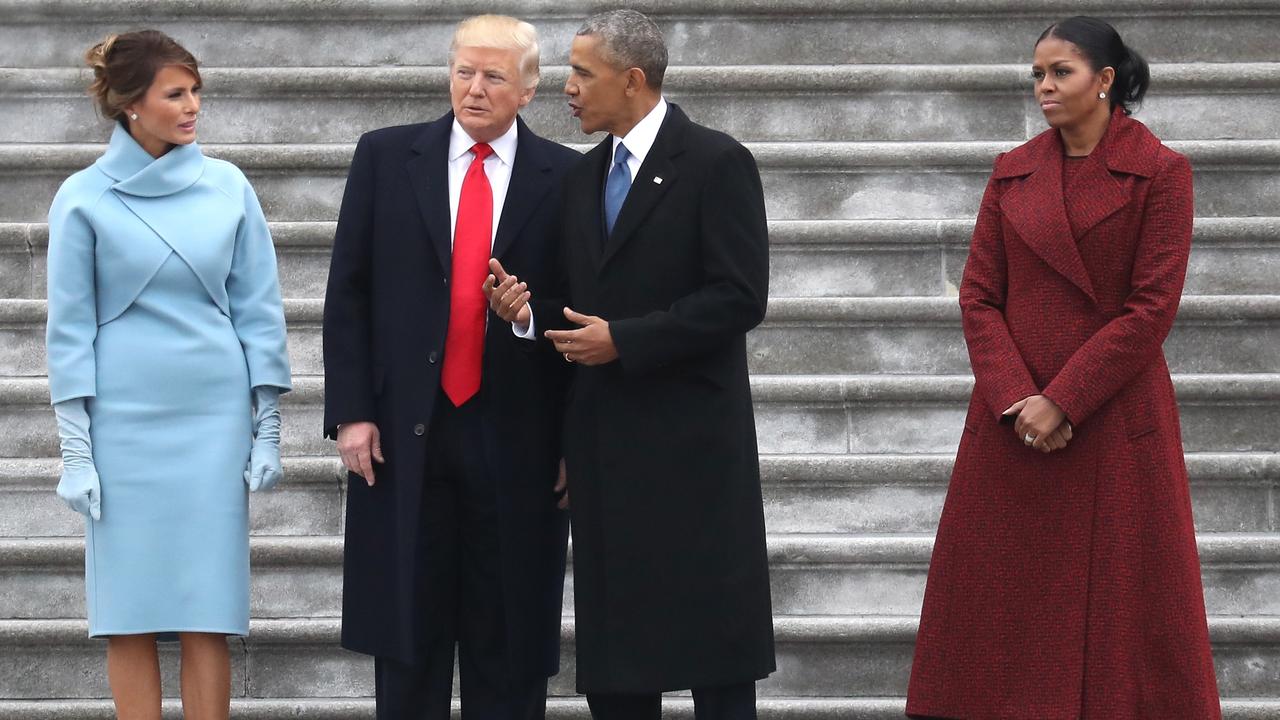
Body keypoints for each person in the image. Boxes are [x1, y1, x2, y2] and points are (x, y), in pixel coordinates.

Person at [905, 16, 1220, 719]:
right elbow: (979, 295)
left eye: (1060, 72)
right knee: (998, 621)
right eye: (1037, 74)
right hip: (1012, 424)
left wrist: (1066, 399)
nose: (1044, 86)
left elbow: (1150, 309)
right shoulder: (1013, 169)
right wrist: (1020, 396)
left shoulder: (1161, 173)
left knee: (1123, 621)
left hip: (1111, 420)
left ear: (1105, 80)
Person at [487, 9, 775, 719]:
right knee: (618, 671)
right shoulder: (582, 180)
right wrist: (527, 314)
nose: (570, 89)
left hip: (695, 453)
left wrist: (629, 340)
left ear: (634, 80)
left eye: (583, 74)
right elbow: (581, 306)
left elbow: (739, 296)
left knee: (716, 662)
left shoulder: (715, 162)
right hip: (607, 450)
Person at [322, 14, 579, 720]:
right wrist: (351, 411)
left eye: (494, 76)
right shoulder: (385, 155)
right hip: (406, 431)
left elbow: (585, 307)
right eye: (464, 71)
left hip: (518, 437)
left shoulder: (568, 176)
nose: (474, 88)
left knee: (511, 644)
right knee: (408, 639)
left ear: (529, 90)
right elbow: (349, 291)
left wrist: (529, 316)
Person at [44, 29, 291, 720]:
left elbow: (259, 312)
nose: (193, 107)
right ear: (130, 106)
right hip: (123, 427)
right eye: (175, 94)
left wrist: (267, 427)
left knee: (206, 607)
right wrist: (76, 451)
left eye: (195, 92)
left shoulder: (229, 187)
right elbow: (68, 331)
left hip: (212, 422)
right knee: (126, 610)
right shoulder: (83, 198)